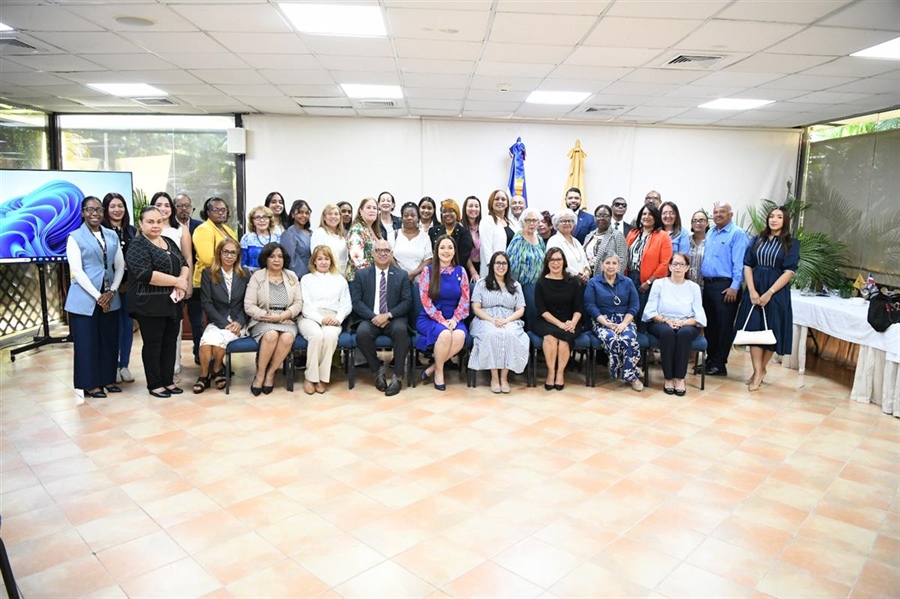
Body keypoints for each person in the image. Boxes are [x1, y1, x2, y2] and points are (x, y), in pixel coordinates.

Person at [127, 206, 190, 398]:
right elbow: (145, 274)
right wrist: (177, 282)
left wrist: (182, 280)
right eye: (150, 222)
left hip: (172, 302)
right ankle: (155, 384)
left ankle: (168, 381)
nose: (155, 226)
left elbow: (184, 263)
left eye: (158, 221)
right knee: (154, 344)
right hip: (149, 303)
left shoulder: (169, 241)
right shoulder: (138, 245)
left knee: (170, 343)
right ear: (141, 223)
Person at [735, 206, 799, 391]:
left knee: (771, 332)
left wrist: (769, 293)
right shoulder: (757, 239)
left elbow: (789, 271)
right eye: (771, 216)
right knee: (754, 330)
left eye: (779, 217)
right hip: (755, 288)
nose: (774, 220)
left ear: (785, 221)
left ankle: (760, 371)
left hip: (776, 292)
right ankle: (758, 371)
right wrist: (753, 290)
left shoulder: (791, 243)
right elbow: (747, 265)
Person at [66, 196, 124, 399]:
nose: (95, 214)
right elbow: (77, 270)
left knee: (109, 341)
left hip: (110, 297)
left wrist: (112, 291)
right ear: (83, 212)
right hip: (85, 299)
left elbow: (120, 266)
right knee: (87, 343)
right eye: (90, 210)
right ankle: (91, 384)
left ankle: (108, 378)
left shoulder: (111, 235)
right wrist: (98, 296)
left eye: (99, 210)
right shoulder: (75, 237)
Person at [350, 239, 412, 397]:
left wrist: (388, 315)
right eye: (379, 250)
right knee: (362, 333)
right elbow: (356, 302)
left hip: (393, 318)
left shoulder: (401, 275)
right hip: (370, 318)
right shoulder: (361, 274)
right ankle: (377, 371)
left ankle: (397, 376)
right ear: (372, 254)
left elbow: (407, 302)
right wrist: (374, 317)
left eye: (386, 251)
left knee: (400, 330)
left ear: (392, 254)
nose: (383, 253)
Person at [642, 252, 706, 396]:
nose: (678, 267)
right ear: (669, 266)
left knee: (684, 334)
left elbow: (699, 315)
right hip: (661, 321)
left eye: (681, 264)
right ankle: (669, 378)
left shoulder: (693, 287)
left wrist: (683, 323)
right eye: (674, 264)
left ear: (687, 267)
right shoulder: (659, 284)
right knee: (667, 333)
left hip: (688, 323)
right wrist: (666, 320)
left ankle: (680, 378)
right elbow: (650, 311)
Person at [244, 243, 303, 396]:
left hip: (286, 319)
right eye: (272, 256)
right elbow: (249, 305)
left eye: (280, 256)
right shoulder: (257, 276)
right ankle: (260, 374)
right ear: (265, 259)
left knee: (288, 337)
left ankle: (271, 373)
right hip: (263, 319)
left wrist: (282, 316)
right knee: (271, 334)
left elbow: (298, 303)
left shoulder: (291, 276)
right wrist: (268, 317)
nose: (276, 260)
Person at [699, 202, 750, 377]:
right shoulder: (711, 232)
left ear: (730, 214)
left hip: (726, 287)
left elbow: (740, 262)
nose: (718, 214)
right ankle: (711, 360)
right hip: (709, 285)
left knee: (723, 327)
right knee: (711, 325)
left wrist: (735, 286)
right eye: (715, 212)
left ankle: (720, 364)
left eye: (722, 212)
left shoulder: (737, 234)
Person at [468, 251, 528, 393]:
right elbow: (475, 308)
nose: (501, 266)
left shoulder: (515, 285)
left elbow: (520, 309)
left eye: (504, 263)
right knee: (491, 334)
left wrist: (506, 320)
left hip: (510, 319)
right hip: (485, 319)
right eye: (498, 263)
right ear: (492, 265)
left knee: (510, 334)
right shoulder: (481, 284)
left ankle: (504, 377)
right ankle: (494, 377)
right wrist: (492, 320)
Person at [195, 238, 249, 393]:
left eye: (233, 252)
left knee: (217, 342)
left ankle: (217, 368)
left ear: (238, 255)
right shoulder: (208, 273)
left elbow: (248, 302)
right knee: (206, 343)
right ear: (219, 253)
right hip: (218, 321)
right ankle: (205, 375)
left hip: (239, 323)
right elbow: (206, 303)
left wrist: (239, 321)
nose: (229, 256)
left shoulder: (244, 273)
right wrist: (224, 323)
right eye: (226, 251)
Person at [416, 235, 470, 391]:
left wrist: (455, 319)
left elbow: (465, 300)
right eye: (442, 247)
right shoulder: (428, 271)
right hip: (430, 317)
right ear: (436, 251)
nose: (446, 251)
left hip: (454, 317)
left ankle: (432, 367)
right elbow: (425, 300)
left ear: (454, 251)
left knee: (459, 336)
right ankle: (439, 371)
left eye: (450, 247)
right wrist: (441, 319)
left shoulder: (461, 271)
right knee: (445, 334)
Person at [585, 254, 643, 392]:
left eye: (614, 263)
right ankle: (631, 369)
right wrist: (606, 323)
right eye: (607, 263)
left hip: (625, 320)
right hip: (602, 320)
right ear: (602, 265)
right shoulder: (593, 283)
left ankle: (631, 377)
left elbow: (634, 306)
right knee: (612, 339)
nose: (611, 266)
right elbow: (590, 306)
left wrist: (624, 324)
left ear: (619, 265)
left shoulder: (627, 282)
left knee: (628, 338)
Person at [299, 245, 351, 395]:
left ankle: (322, 378)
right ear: (313, 261)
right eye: (319, 259)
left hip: (334, 317)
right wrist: (321, 319)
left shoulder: (340, 279)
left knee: (329, 336)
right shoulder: (306, 279)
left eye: (326, 259)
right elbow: (306, 306)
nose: (323, 262)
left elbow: (346, 304)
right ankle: (310, 377)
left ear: (331, 261)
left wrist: (338, 318)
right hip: (310, 317)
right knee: (316, 335)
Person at [532, 248, 583, 390]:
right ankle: (551, 372)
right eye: (552, 260)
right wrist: (559, 324)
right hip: (547, 320)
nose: (555, 263)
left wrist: (573, 322)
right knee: (550, 337)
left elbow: (579, 307)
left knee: (564, 339)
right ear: (547, 263)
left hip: (570, 320)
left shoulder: (573, 281)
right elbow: (541, 309)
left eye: (558, 259)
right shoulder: (541, 282)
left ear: (564, 262)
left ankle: (560, 374)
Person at [101, 192, 135, 383]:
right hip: (109, 288)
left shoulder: (131, 230)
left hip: (129, 287)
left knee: (128, 327)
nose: (117, 210)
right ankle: (112, 366)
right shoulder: (102, 231)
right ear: (106, 209)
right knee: (113, 328)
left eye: (120, 205)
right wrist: (115, 285)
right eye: (113, 206)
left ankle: (125, 366)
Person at [625, 204, 673, 325]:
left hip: (648, 280)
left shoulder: (663, 236)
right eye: (644, 214)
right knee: (628, 309)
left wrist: (649, 282)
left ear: (656, 218)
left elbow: (664, 263)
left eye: (650, 214)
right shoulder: (632, 233)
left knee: (642, 312)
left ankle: (642, 338)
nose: (646, 216)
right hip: (629, 276)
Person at [175, 192, 206, 364]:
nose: (184, 209)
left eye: (187, 205)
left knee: (197, 320)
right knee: (175, 322)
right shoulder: (169, 227)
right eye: (180, 206)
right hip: (173, 280)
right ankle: (174, 358)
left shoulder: (199, 227)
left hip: (195, 282)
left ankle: (198, 353)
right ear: (174, 208)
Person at [428, 199, 474, 275]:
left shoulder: (464, 233)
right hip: (436, 273)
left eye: (451, 211)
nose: (447, 214)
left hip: (456, 273)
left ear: (457, 213)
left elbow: (463, 257)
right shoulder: (433, 231)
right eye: (444, 211)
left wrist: (447, 269)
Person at [547, 209, 591, 284]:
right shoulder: (553, 241)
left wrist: (587, 272)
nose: (567, 223)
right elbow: (558, 263)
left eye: (570, 221)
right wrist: (577, 275)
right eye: (563, 221)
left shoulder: (576, 241)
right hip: (564, 283)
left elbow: (584, 260)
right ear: (556, 224)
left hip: (581, 283)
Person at [390, 202, 432, 281]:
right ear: (401, 218)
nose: (409, 218)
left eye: (413, 215)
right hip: (396, 280)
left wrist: (413, 273)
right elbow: (389, 256)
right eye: (406, 215)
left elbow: (428, 259)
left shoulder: (425, 237)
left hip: (418, 282)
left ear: (418, 218)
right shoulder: (393, 235)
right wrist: (402, 274)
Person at [479, 189, 515, 279]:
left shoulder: (512, 222)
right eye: (497, 199)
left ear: (507, 203)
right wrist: (494, 270)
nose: (500, 201)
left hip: (511, 270)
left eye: (503, 199)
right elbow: (487, 250)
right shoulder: (487, 221)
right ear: (491, 202)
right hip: (495, 271)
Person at [583, 203, 627, 277]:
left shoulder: (617, 235)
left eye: (605, 215)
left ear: (610, 218)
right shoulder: (589, 236)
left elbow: (622, 260)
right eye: (599, 215)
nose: (602, 218)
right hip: (588, 278)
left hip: (607, 278)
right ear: (594, 218)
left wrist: (613, 279)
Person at [507, 207, 546, 286]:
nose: (531, 223)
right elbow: (511, 265)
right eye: (528, 220)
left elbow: (544, 261)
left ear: (538, 222)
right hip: (522, 285)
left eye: (534, 220)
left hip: (538, 284)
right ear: (523, 221)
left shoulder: (539, 239)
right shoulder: (518, 239)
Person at [347, 197, 381, 280]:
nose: (372, 210)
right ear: (360, 211)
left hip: (372, 277)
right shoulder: (357, 229)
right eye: (368, 207)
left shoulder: (374, 231)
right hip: (360, 278)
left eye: (375, 208)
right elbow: (357, 258)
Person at [311, 203, 349, 276]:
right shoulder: (319, 232)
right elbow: (316, 256)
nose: (333, 216)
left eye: (336, 214)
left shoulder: (342, 236)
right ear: (324, 217)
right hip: (325, 275)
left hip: (341, 275)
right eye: (330, 214)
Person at [240, 205, 281, 273]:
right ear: (252, 221)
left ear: (270, 220)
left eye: (265, 217)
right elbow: (242, 263)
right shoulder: (247, 238)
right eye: (257, 217)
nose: (262, 220)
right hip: (251, 277)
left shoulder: (278, 238)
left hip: (273, 276)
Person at [281, 199, 313, 279]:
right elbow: (291, 260)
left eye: (307, 213)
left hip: (314, 276)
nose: (304, 216)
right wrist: (306, 276)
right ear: (292, 214)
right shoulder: (289, 234)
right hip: (298, 277)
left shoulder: (312, 233)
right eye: (300, 212)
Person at [462, 195, 483, 280]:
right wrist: (473, 271)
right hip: (466, 268)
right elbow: (463, 253)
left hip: (483, 267)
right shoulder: (460, 227)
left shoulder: (484, 226)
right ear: (465, 208)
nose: (474, 209)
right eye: (470, 206)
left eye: (476, 206)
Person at [688, 210, 709, 287]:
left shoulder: (711, 242)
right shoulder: (686, 241)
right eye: (695, 220)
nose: (697, 223)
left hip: (705, 286)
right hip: (687, 285)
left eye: (701, 220)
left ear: (707, 223)